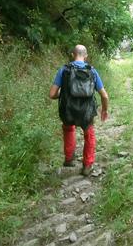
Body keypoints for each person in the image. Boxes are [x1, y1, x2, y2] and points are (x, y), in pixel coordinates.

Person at [49, 45, 109, 176]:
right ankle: (87, 166)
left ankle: (69, 159)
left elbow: (52, 94)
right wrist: (104, 110)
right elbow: (104, 95)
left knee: (69, 129)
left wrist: (64, 93)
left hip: (68, 110)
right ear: (86, 56)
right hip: (86, 112)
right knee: (89, 134)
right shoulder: (92, 71)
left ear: (72, 55)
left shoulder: (64, 70)